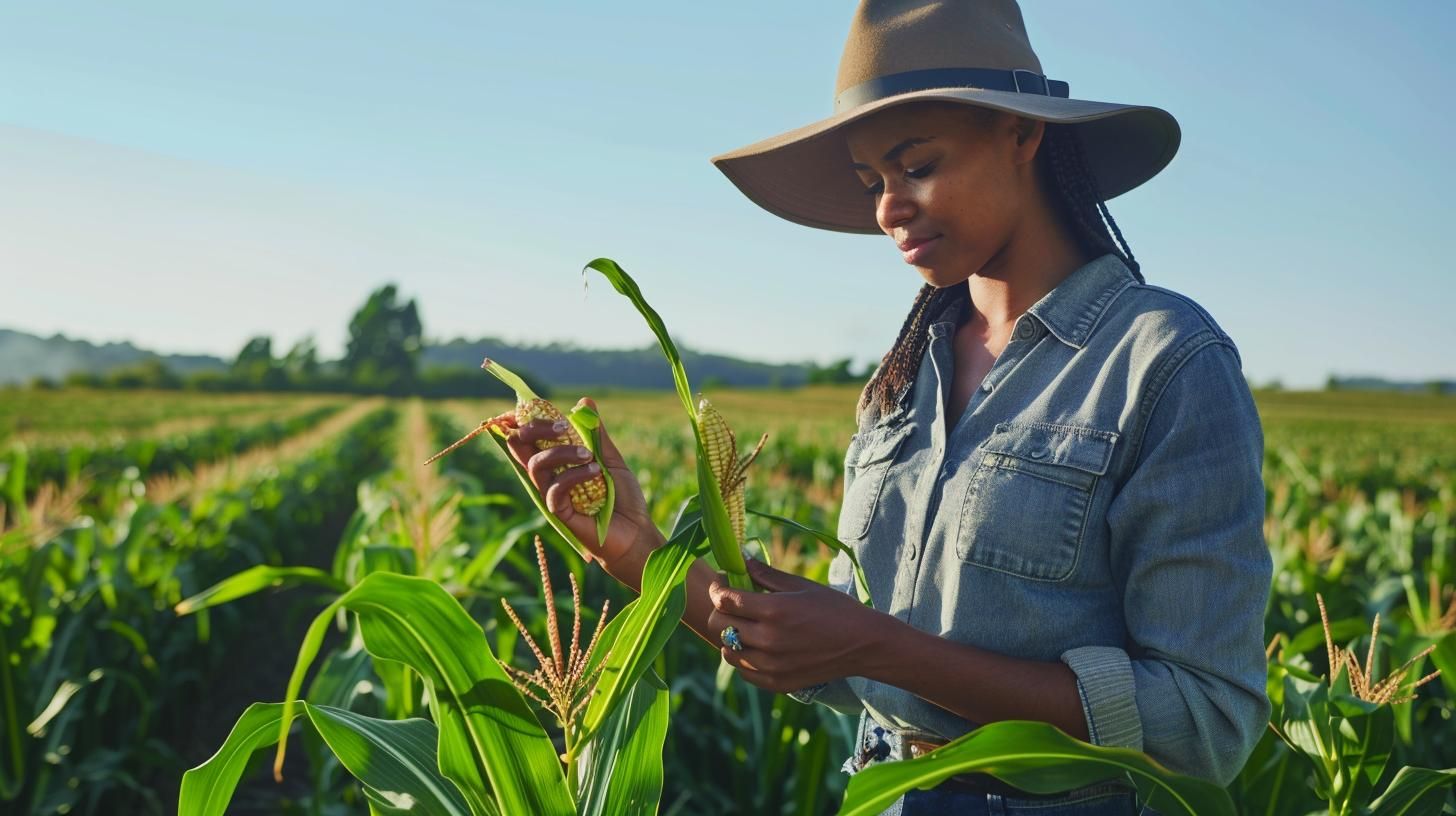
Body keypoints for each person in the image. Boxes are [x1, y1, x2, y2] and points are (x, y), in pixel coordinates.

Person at [507, 1, 1272, 812]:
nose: (887, 209)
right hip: (878, 792)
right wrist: (634, 549)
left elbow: (1204, 721)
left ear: (1023, 134)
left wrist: (885, 647)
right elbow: (834, 661)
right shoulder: (903, 378)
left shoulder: (1165, 359)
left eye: (917, 166)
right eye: (873, 182)